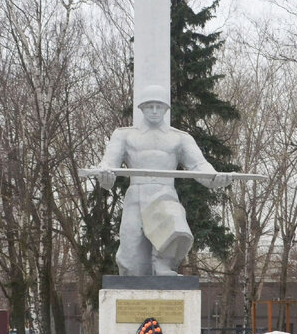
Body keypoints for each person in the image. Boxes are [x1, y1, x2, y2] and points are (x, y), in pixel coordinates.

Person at [96, 85, 230, 276]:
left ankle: (163, 265)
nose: (154, 111)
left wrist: (216, 178)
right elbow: (108, 166)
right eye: (149, 106)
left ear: (166, 109)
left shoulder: (180, 138)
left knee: (173, 224)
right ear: (141, 108)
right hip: (136, 195)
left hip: (164, 193)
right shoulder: (124, 135)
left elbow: (199, 166)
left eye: (159, 106)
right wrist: (106, 177)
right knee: (131, 263)